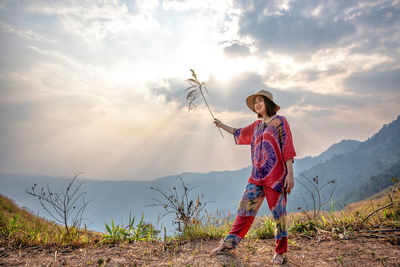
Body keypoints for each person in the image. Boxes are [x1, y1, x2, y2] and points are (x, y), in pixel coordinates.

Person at [211, 90, 296, 265]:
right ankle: (228, 244)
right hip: (256, 177)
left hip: (276, 177)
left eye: (260, 101)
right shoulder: (256, 126)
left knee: (279, 215)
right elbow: (238, 132)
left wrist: (290, 174)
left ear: (268, 103)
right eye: (255, 102)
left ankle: (280, 252)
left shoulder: (280, 122)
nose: (257, 104)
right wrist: (221, 125)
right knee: (244, 210)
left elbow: (287, 148)